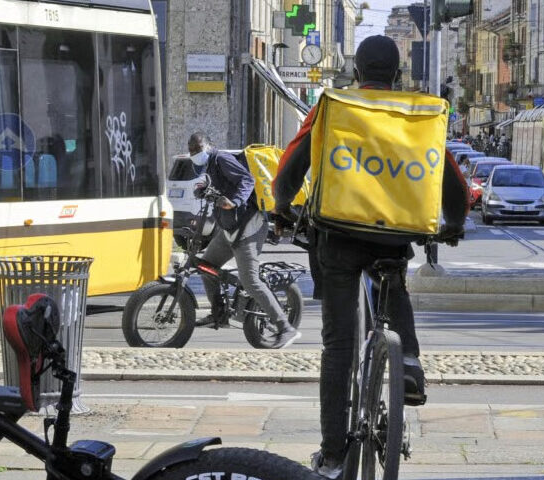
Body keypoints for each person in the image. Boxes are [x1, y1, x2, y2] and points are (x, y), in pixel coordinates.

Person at [271, 35, 468, 479]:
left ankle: (332, 456)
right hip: (393, 235)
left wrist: (282, 206)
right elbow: (451, 179)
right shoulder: (417, 113)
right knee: (393, 283)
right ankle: (409, 363)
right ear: (397, 74)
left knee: (338, 345)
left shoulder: (335, 105)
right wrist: (454, 223)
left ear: (356, 72)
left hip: (337, 235)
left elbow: (291, 167)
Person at [187, 133, 301, 348]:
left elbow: (247, 180)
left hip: (248, 228)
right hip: (229, 229)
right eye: (191, 150)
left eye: (198, 149)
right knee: (206, 266)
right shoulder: (207, 165)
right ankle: (218, 314)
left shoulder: (221, 158)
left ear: (209, 146)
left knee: (250, 281)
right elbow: (217, 188)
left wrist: (235, 201)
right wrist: (203, 191)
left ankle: (286, 327)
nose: (194, 153)